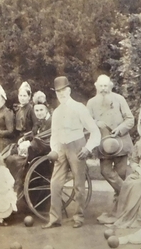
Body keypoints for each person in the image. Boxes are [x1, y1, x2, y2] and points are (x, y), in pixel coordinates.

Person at [43, 76, 101, 229]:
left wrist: (88, 148)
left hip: (77, 145)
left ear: (69, 90)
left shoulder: (79, 108)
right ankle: (55, 219)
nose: (61, 94)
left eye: (63, 91)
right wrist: (54, 150)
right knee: (55, 183)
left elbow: (95, 132)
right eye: (58, 92)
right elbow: (54, 135)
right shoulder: (56, 112)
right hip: (61, 148)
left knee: (79, 184)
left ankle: (79, 217)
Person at [87, 75, 134, 215]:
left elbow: (130, 119)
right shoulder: (91, 103)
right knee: (105, 171)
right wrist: (96, 123)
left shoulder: (119, 99)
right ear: (96, 86)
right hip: (104, 146)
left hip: (120, 142)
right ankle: (129, 195)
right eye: (101, 86)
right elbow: (86, 122)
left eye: (105, 86)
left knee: (121, 174)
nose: (103, 89)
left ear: (110, 86)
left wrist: (119, 129)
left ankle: (120, 208)